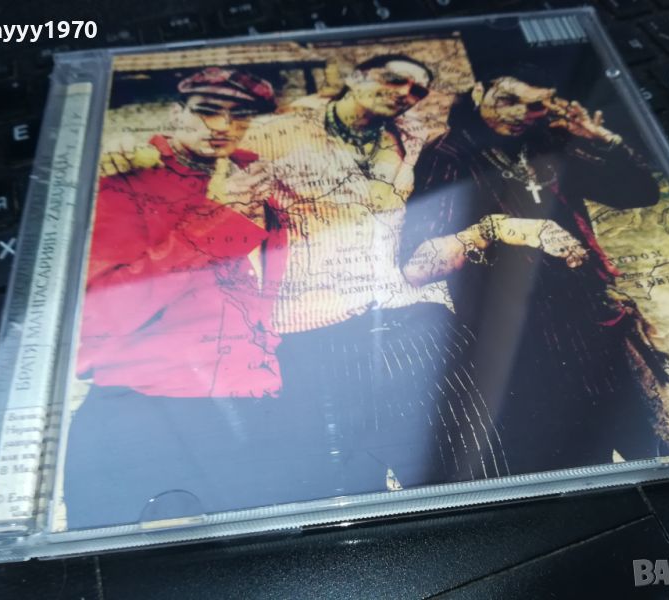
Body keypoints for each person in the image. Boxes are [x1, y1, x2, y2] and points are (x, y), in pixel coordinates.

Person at [214, 54, 512, 498]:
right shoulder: (276, 134)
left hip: (409, 314)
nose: (405, 94)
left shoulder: (412, 137)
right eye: (393, 80)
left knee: (463, 460)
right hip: (314, 325)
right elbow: (234, 233)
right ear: (355, 77)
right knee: (344, 479)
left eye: (416, 90)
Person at [400, 68, 669, 474]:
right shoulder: (449, 156)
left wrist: (603, 142)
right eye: (509, 99)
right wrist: (499, 229)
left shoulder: (544, 141)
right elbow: (417, 266)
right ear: (479, 91)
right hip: (522, 339)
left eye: (535, 105)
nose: (520, 113)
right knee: (572, 466)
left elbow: (638, 192)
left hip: (599, 319)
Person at [63, 67, 283, 529]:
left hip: (253, 400)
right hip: (148, 411)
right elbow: (100, 316)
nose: (223, 126)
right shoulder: (123, 182)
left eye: (240, 115)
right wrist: (218, 221)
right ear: (174, 112)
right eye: (207, 110)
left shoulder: (254, 173)